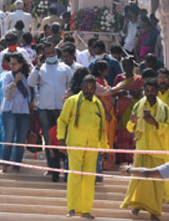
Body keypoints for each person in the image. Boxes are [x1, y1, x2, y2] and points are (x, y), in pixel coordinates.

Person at [121, 74, 169, 220]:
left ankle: (154, 212)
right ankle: (136, 205)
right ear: (144, 91)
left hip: (158, 150)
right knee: (139, 179)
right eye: (147, 90)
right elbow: (130, 128)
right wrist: (131, 122)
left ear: (157, 92)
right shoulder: (138, 105)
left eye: (152, 90)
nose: (150, 93)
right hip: (142, 147)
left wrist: (155, 123)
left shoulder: (164, 108)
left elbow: (168, 129)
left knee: (156, 183)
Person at [59, 75, 108, 219]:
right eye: (87, 87)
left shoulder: (98, 104)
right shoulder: (72, 101)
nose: (89, 90)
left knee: (89, 179)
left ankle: (86, 209)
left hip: (92, 147)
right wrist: (61, 139)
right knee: (74, 176)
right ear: (82, 86)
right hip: (75, 144)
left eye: (92, 88)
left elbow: (103, 129)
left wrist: (104, 148)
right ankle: (72, 208)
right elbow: (62, 121)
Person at [29, 43, 72, 182]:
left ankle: (64, 167)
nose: (51, 55)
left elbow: (70, 85)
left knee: (62, 137)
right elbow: (30, 82)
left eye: (53, 52)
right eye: (48, 53)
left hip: (61, 108)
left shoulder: (65, 68)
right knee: (48, 138)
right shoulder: (41, 69)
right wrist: (37, 66)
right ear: (44, 55)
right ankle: (51, 167)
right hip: (45, 108)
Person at [0, 51, 32, 173]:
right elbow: (7, 94)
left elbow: (32, 94)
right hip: (9, 111)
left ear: (21, 64)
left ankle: (17, 166)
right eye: (10, 64)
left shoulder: (28, 76)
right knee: (9, 138)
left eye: (15, 64)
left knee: (21, 140)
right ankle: (5, 165)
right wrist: (16, 81)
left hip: (24, 112)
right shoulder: (8, 76)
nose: (12, 66)